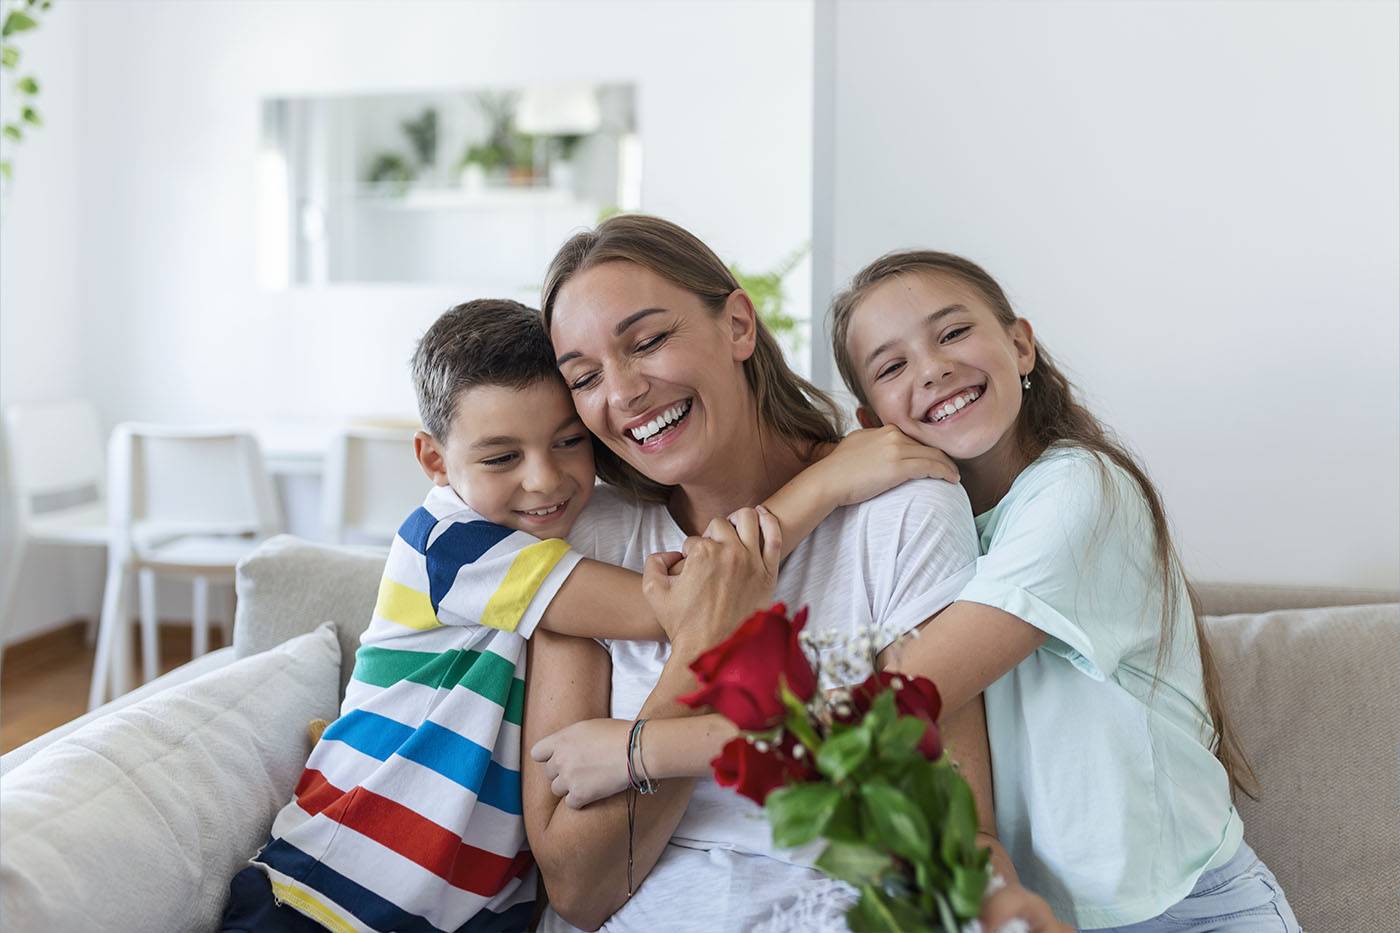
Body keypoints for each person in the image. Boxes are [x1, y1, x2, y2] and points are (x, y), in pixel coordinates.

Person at [220, 298, 944, 933]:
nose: (546, 478)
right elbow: (685, 604)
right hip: (323, 893)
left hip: (469, 912)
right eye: (502, 455)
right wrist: (825, 483)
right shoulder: (449, 544)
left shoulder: (564, 538)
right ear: (434, 460)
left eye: (569, 441)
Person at [521, 215, 1002, 932]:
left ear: (739, 324)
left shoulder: (903, 509)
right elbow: (578, 889)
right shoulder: (593, 539)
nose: (621, 393)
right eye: (584, 377)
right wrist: (703, 640)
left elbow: (957, 836)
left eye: (648, 341)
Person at [825, 251, 1301, 930]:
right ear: (872, 424)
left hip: (1195, 909)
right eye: (892, 366)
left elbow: (902, 695)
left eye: (952, 332)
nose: (932, 367)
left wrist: (816, 490)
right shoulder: (927, 533)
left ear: (1020, 345)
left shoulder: (1080, 490)